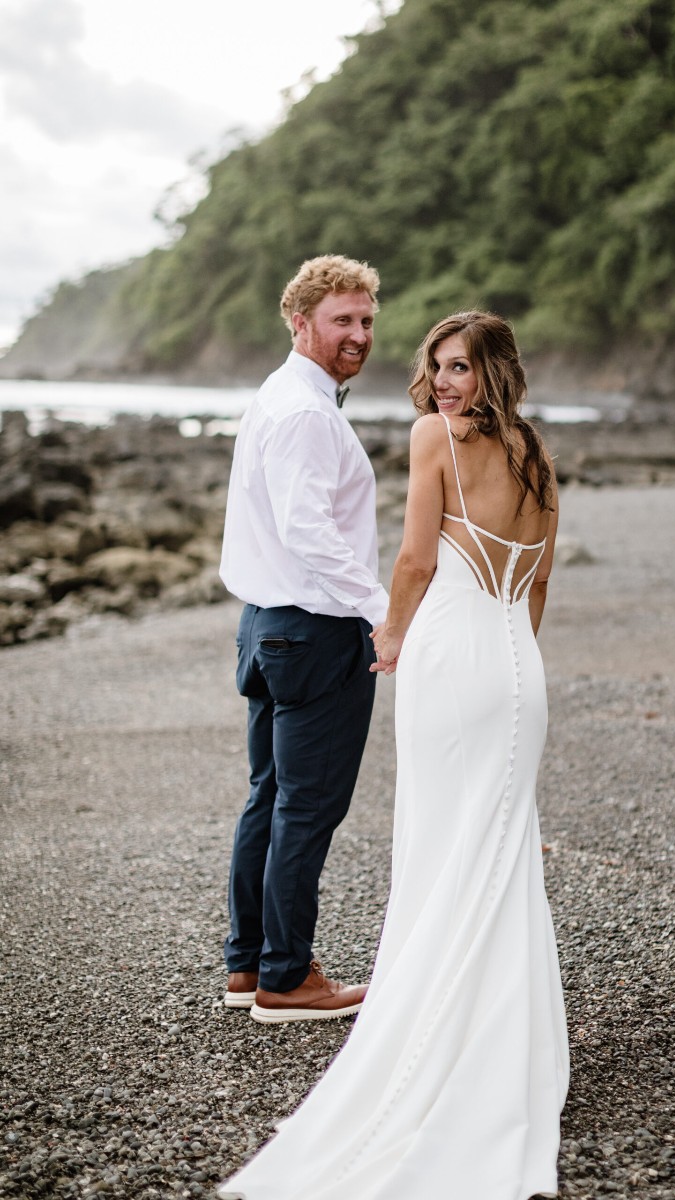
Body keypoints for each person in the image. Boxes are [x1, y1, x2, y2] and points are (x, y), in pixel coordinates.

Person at [219, 310, 569, 1199]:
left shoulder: (432, 439)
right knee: (497, 844)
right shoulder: (536, 452)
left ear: (494, 372)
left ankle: (437, 1028)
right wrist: (512, 660)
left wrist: (388, 636)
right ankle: (504, 1032)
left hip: (450, 658)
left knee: (443, 837)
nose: (445, 382)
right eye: (438, 367)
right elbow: (538, 585)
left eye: (462, 367)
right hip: (517, 663)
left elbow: (414, 559)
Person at [219, 254, 389, 1023]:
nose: (358, 334)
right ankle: (288, 978)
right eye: (342, 321)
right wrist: (380, 608)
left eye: (365, 321)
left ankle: (250, 966)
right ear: (301, 323)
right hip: (313, 632)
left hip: (267, 627)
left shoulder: (283, 396)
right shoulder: (305, 413)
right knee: (304, 808)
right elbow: (306, 530)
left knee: (272, 798)